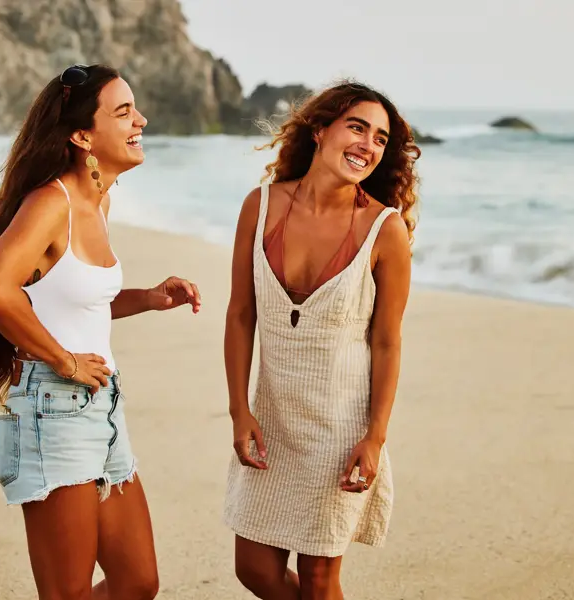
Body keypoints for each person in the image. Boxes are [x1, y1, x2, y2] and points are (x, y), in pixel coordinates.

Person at [0, 64, 201, 600]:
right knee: (67, 592)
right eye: (123, 111)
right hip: (52, 409)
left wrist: (148, 299)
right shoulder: (50, 202)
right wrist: (65, 361)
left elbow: (70, 298)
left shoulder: (99, 199)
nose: (140, 120)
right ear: (83, 136)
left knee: (137, 581)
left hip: (100, 408)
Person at [222, 81, 419, 599]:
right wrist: (239, 411)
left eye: (380, 138)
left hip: (340, 428)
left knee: (319, 579)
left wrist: (375, 437)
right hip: (272, 418)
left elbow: (387, 343)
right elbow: (241, 315)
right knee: (254, 569)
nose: (368, 145)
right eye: (357, 127)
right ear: (319, 129)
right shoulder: (260, 206)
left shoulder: (384, 229)